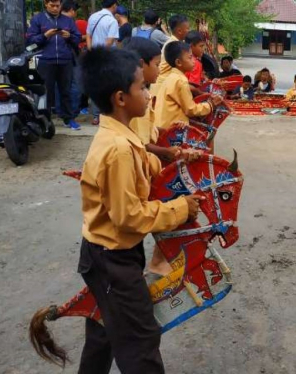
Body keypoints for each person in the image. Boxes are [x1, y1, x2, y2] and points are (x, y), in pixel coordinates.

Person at [77, 46, 202, 373]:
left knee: (104, 329)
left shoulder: (121, 136)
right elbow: (129, 217)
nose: (149, 93)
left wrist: (172, 158)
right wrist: (180, 208)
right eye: (142, 87)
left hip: (108, 255)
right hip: (112, 259)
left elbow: (143, 163)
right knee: (140, 340)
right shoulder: (118, 149)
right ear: (121, 98)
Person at [125, 37, 202, 276]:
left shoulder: (149, 90)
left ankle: (160, 258)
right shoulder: (134, 102)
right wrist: (167, 151)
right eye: (157, 64)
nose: (160, 69)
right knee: (176, 200)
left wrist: (173, 148)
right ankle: (159, 261)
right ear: (140, 64)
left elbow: (151, 131)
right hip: (146, 166)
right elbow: (139, 144)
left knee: (178, 199)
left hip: (156, 158)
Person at [26, 0, 82, 130]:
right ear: (46, 4)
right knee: (46, 92)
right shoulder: (37, 19)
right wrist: (45, 35)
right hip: (46, 60)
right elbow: (30, 40)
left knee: (66, 91)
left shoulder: (68, 21)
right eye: (52, 5)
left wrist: (69, 36)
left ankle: (69, 119)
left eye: (58, 6)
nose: (55, 8)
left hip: (65, 60)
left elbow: (77, 38)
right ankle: (46, 120)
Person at [154, 41, 223, 129]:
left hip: (162, 124)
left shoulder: (171, 76)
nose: (193, 61)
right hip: (172, 129)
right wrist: (210, 105)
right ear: (179, 62)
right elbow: (190, 110)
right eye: (190, 58)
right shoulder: (181, 81)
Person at [86, 0, 120, 126]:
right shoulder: (112, 21)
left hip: (94, 57)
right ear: (114, 5)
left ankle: (96, 117)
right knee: (109, 86)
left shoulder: (93, 17)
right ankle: (106, 114)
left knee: (96, 86)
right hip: (107, 58)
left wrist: (91, 52)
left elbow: (88, 35)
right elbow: (110, 41)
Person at [155, 14, 190, 89]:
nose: (189, 31)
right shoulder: (175, 46)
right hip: (163, 85)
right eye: (187, 28)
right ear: (179, 31)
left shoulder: (174, 42)